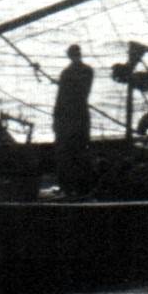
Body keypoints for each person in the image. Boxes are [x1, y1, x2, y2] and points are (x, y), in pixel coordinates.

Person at [52, 44, 95, 196]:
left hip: (68, 118)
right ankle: (83, 188)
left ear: (69, 55)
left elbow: (61, 98)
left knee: (66, 153)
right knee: (81, 151)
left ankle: (68, 188)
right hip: (82, 116)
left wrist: (56, 119)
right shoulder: (88, 71)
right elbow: (83, 92)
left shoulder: (67, 73)